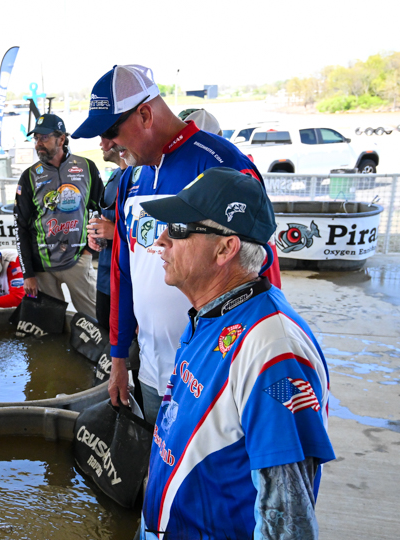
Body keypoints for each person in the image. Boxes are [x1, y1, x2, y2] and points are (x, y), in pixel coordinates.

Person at [138, 168, 334, 540]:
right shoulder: (215, 314)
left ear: (225, 248)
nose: (161, 240)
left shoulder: (274, 355)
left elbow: (290, 524)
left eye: (179, 230)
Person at [71, 64, 281, 426]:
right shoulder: (129, 177)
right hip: (151, 369)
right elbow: (124, 272)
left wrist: (264, 362)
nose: (104, 145)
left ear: (145, 114)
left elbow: (261, 272)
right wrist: (118, 358)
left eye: (110, 131)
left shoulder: (223, 165)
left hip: (212, 374)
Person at [14, 113, 102, 315]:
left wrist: (89, 251)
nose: (38, 144)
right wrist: (27, 273)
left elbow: (101, 210)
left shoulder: (86, 167)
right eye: (36, 138)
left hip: (78, 259)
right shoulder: (29, 176)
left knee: (95, 319)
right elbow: (20, 227)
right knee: (50, 324)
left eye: (44, 138)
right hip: (42, 267)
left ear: (61, 139)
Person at [87, 146, 127, 333]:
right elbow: (105, 220)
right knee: (105, 334)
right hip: (105, 277)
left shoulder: (143, 177)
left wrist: (116, 232)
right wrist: (95, 235)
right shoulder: (115, 175)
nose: (101, 143)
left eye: (106, 135)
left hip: (128, 282)